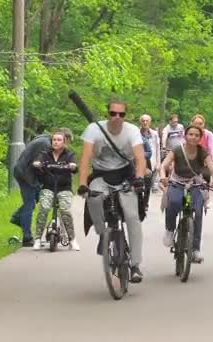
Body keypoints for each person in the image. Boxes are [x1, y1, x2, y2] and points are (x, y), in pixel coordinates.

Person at [78, 100, 147, 283]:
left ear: (125, 116)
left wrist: (139, 178)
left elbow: (140, 158)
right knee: (93, 198)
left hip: (125, 175)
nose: (117, 117)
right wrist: (83, 183)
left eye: (121, 114)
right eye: (113, 113)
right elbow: (85, 159)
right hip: (101, 174)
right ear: (107, 113)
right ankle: (103, 234)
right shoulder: (94, 129)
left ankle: (136, 266)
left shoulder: (131, 131)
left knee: (132, 217)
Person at [159, 125, 213, 263]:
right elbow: (164, 165)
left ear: (200, 138)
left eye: (196, 135)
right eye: (190, 134)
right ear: (185, 136)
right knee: (173, 202)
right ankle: (169, 230)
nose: (193, 137)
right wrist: (163, 176)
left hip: (195, 183)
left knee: (198, 212)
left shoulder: (202, 151)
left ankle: (195, 250)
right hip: (177, 182)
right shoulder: (177, 150)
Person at [11, 127, 73, 247]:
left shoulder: (46, 141)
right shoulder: (44, 144)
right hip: (25, 174)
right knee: (30, 204)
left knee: (37, 198)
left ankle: (18, 217)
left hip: (28, 174)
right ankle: (27, 238)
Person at [32, 132, 80, 251]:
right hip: (48, 187)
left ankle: (72, 239)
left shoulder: (69, 154)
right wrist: (37, 164)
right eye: (54, 140)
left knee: (65, 210)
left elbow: (74, 166)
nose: (56, 142)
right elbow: (38, 161)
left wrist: (72, 166)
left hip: (64, 188)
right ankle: (37, 239)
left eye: (59, 140)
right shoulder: (45, 154)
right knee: (44, 208)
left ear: (64, 142)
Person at [140, 114, 160, 211]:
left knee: (148, 184)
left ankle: (146, 202)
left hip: (151, 162)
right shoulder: (136, 133)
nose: (145, 122)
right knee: (139, 182)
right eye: (143, 121)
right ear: (141, 122)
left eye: (147, 120)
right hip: (140, 162)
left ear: (150, 122)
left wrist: (158, 163)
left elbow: (157, 148)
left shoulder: (154, 134)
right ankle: (140, 202)